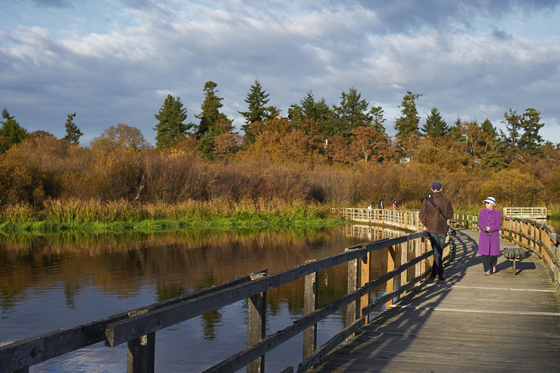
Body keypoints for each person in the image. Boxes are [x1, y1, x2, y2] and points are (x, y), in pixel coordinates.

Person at [419, 181, 453, 281]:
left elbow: (422, 215)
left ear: (431, 189)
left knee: (436, 251)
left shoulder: (427, 200)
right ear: (441, 189)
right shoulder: (446, 200)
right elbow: (449, 215)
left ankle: (437, 273)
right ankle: (437, 273)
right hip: (442, 228)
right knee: (439, 251)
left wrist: (427, 223)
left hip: (432, 229)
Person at [478, 197, 502, 275]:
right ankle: (487, 269)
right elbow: (480, 223)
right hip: (484, 235)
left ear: (492, 204)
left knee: (494, 254)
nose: (486, 204)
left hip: (494, 235)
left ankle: (493, 265)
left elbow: (499, 224)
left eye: (487, 203)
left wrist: (491, 228)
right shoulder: (481, 212)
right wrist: (484, 228)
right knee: (484, 253)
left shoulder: (497, 213)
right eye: (485, 203)